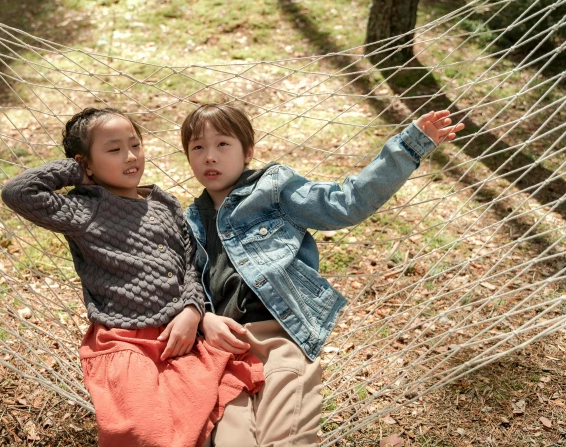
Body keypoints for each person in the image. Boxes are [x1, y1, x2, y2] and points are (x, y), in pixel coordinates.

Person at [180, 104, 464, 446]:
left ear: (248, 152)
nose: (210, 156)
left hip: (280, 338)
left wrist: (409, 146)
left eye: (222, 144)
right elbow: (182, 285)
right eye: (198, 147)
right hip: (222, 351)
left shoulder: (272, 190)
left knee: (285, 438)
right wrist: (203, 320)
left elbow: (347, 202)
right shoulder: (188, 221)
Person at [1, 107, 264, 447]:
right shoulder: (83, 210)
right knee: (145, 433)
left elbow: (187, 265)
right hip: (124, 341)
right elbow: (18, 193)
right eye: (114, 150)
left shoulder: (164, 204)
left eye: (135, 145)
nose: (130, 157)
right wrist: (76, 171)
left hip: (179, 337)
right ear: (87, 163)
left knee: (196, 425)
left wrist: (191, 311)